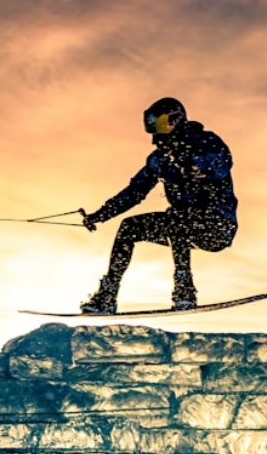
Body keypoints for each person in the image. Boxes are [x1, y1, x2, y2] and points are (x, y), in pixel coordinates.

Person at [80, 97, 237, 313]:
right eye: (151, 127)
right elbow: (135, 192)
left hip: (217, 227)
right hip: (182, 228)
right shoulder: (160, 160)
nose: (155, 135)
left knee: (178, 215)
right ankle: (107, 296)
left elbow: (221, 163)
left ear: (176, 121)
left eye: (160, 125)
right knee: (129, 227)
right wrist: (101, 215)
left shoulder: (206, 142)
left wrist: (192, 164)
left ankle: (184, 289)